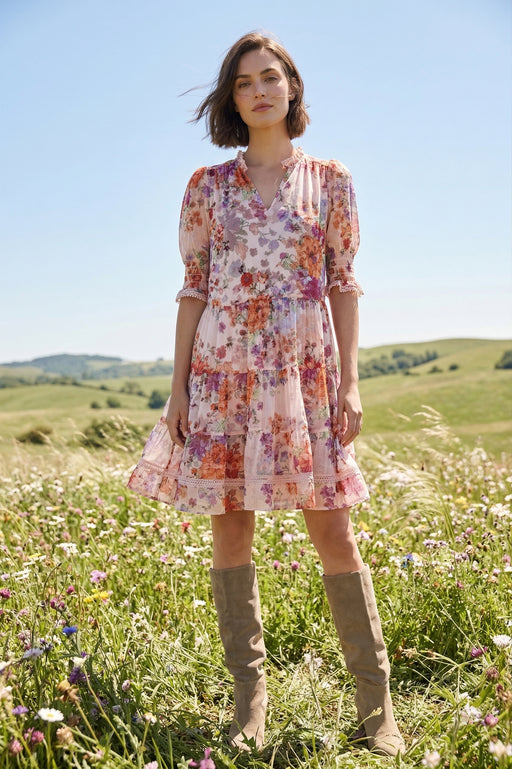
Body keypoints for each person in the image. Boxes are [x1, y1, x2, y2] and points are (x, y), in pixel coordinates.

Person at [127, 31, 405, 757]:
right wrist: (178, 388)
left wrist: (350, 379)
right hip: (222, 372)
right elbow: (192, 291)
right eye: (245, 81)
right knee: (231, 527)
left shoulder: (332, 179)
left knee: (335, 531)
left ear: (292, 88)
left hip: (305, 373)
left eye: (271, 77)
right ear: (232, 99)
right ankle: (249, 706)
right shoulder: (206, 188)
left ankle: (377, 710)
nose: (259, 89)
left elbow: (343, 285)